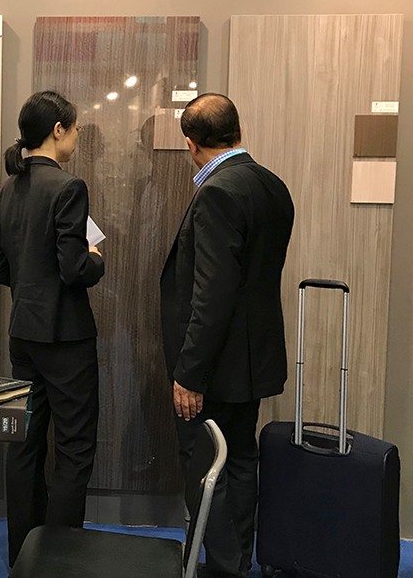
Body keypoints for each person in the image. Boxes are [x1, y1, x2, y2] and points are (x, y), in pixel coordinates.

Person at [159, 93, 294, 578]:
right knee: (239, 462)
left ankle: (221, 566)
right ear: (238, 130)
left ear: (190, 144)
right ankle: (235, 563)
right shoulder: (272, 185)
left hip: (215, 367)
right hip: (252, 361)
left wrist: (190, 373)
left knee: (206, 468)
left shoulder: (217, 192)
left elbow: (212, 295)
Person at [0, 91, 105, 566]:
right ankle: (59, 561)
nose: (76, 136)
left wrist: (29, 280)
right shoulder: (68, 188)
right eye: (75, 128)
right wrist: (96, 258)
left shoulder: (4, 192)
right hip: (67, 338)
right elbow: (74, 268)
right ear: (58, 130)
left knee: (26, 444)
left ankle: (23, 557)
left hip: (24, 334)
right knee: (73, 447)